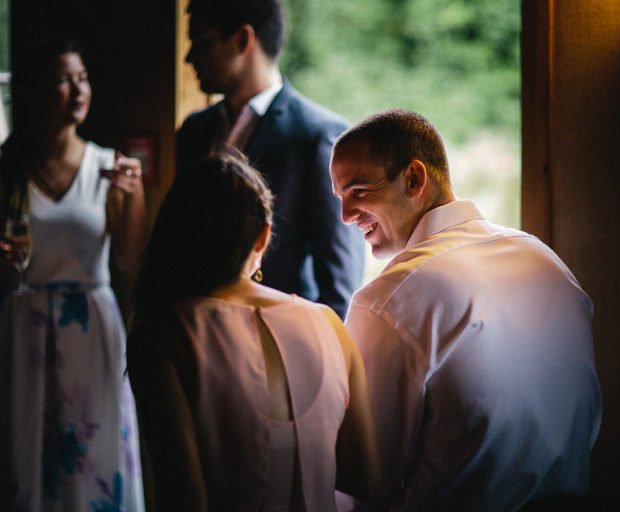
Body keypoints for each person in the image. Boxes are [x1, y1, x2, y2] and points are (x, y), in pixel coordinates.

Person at [329, 109, 603, 511]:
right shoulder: (546, 261)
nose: (345, 216)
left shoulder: (390, 299)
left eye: (358, 191)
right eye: (339, 199)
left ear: (414, 179)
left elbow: (367, 478)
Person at [127, 153, 380, 511]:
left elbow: (183, 496)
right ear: (263, 236)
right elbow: (366, 476)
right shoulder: (329, 324)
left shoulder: (163, 336)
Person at [0, 40, 146, 511]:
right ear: (31, 92)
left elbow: (128, 261)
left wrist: (135, 198)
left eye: (82, 77)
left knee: (95, 458)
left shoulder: (108, 167)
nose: (78, 88)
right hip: (22, 327)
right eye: (64, 79)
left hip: (90, 328)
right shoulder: (7, 169)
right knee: (24, 453)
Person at [176, 0, 364, 320]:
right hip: (195, 330)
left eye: (203, 42)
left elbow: (338, 281)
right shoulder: (194, 131)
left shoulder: (315, 135)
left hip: (278, 338)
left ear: (242, 40)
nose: (189, 56)